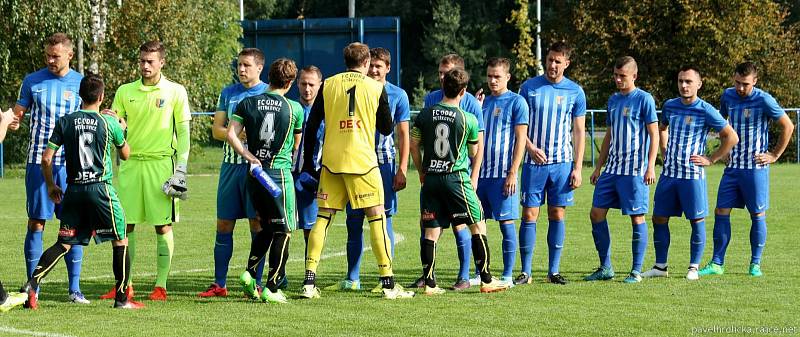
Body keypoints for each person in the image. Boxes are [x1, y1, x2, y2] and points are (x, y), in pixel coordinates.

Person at [299, 42, 414, 300]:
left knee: (323, 219)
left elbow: (312, 123)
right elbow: (386, 128)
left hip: (331, 162)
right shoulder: (376, 87)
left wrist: (308, 164)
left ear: (345, 60)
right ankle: (388, 283)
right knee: (377, 219)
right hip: (363, 162)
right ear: (365, 63)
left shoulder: (328, 84)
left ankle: (309, 281)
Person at [19, 74, 143, 309]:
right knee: (120, 239)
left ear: (80, 96)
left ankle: (32, 284)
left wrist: (51, 185)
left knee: (63, 243)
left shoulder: (66, 121)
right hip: (101, 189)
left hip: (74, 189)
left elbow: (46, 158)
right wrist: (122, 129)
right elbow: (126, 154)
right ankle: (122, 298)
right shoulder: (109, 123)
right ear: (102, 96)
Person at [100, 40, 192, 301]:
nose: (145, 65)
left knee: (162, 226)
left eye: (150, 61)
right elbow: (114, 126)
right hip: (130, 166)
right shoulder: (125, 91)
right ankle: (125, 285)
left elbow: (184, 132)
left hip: (161, 165)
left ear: (162, 62)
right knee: (124, 226)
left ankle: (160, 286)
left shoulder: (175, 91)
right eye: (142, 61)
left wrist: (182, 168)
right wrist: (115, 121)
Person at [410, 67, 509, 295]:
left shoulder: (425, 114)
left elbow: (414, 145)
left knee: (431, 231)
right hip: (456, 178)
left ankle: (430, 284)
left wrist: (421, 171)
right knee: (478, 224)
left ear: (442, 86)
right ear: (463, 91)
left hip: (431, 178)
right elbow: (474, 152)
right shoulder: (468, 119)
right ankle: (486, 280)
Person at [642, 65, 738, 281]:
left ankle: (693, 267)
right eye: (681, 81)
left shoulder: (706, 109)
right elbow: (662, 128)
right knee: (658, 218)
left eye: (688, 82)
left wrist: (711, 158)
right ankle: (660, 266)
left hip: (692, 176)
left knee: (696, 220)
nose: (684, 85)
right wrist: (665, 151)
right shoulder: (670, 106)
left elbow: (731, 137)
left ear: (699, 84)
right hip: (669, 175)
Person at [699, 62, 795, 277]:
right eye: (737, 83)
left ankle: (755, 264)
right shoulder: (728, 96)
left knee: (757, 214)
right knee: (721, 211)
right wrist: (723, 151)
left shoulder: (764, 99)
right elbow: (722, 124)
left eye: (745, 84)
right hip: (732, 168)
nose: (740, 88)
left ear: (755, 81)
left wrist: (775, 155)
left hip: (755, 168)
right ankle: (717, 263)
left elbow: (788, 125)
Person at [12, 33, 87, 303]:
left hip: (71, 164)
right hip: (37, 161)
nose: (50, 60)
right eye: (48, 56)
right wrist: (13, 121)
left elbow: (90, 116)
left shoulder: (81, 83)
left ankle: (74, 289)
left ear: (69, 55)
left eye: (56, 56)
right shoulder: (33, 81)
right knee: (36, 223)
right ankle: (34, 287)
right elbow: (18, 113)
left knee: (72, 226)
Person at [334, 47, 411, 291]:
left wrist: (402, 168)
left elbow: (403, 134)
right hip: (354, 161)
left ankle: (384, 278)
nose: (375, 70)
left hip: (383, 163)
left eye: (380, 66)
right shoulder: (354, 89)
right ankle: (352, 278)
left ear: (388, 68)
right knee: (353, 220)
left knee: (384, 218)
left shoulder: (398, 95)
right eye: (372, 65)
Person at [227, 58, 303, 304]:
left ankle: (250, 274)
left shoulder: (247, 102)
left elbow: (231, 134)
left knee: (267, 227)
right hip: (278, 175)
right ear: (290, 82)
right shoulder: (294, 108)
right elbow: (297, 145)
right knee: (285, 229)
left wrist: (249, 155)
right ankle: (272, 286)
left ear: (269, 76)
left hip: (255, 174)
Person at [198, 48, 269, 298]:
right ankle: (220, 284)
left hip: (256, 170)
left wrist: (236, 133)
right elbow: (217, 130)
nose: (241, 70)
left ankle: (256, 282)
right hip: (230, 168)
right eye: (239, 65)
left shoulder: (268, 93)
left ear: (259, 68)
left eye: (246, 65)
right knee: (224, 224)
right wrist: (237, 134)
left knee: (257, 224)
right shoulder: (229, 93)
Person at [516, 41, 586, 285]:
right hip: (533, 163)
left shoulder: (575, 92)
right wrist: (531, 148)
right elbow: (519, 126)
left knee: (556, 213)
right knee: (529, 214)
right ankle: (525, 272)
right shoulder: (529, 87)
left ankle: (553, 271)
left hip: (562, 164)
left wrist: (577, 168)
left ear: (566, 63)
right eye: (550, 60)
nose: (553, 65)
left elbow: (578, 132)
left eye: (558, 61)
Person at [583, 56, 659, 284]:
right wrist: (598, 166)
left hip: (635, 171)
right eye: (615, 75)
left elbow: (654, 134)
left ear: (634, 76)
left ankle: (636, 271)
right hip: (612, 170)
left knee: (637, 217)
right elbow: (609, 135)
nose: (618, 80)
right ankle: (605, 267)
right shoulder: (613, 100)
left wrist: (650, 166)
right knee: (596, 213)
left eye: (622, 76)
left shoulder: (644, 99)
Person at [475, 57, 528, 287]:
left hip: (503, 176)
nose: (492, 80)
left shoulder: (517, 102)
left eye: (497, 76)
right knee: (478, 226)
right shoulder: (482, 103)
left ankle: (507, 274)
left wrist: (513, 172)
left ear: (507, 77)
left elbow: (520, 140)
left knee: (506, 225)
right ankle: (482, 272)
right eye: (489, 76)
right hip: (481, 176)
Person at [292, 65, 324, 245]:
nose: (307, 89)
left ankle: (309, 272)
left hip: (312, 178)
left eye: (312, 84)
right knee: (282, 228)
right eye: (303, 83)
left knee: (310, 230)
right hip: (288, 174)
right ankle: (279, 273)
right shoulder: (289, 108)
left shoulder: (327, 113)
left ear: (320, 85)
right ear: (297, 83)